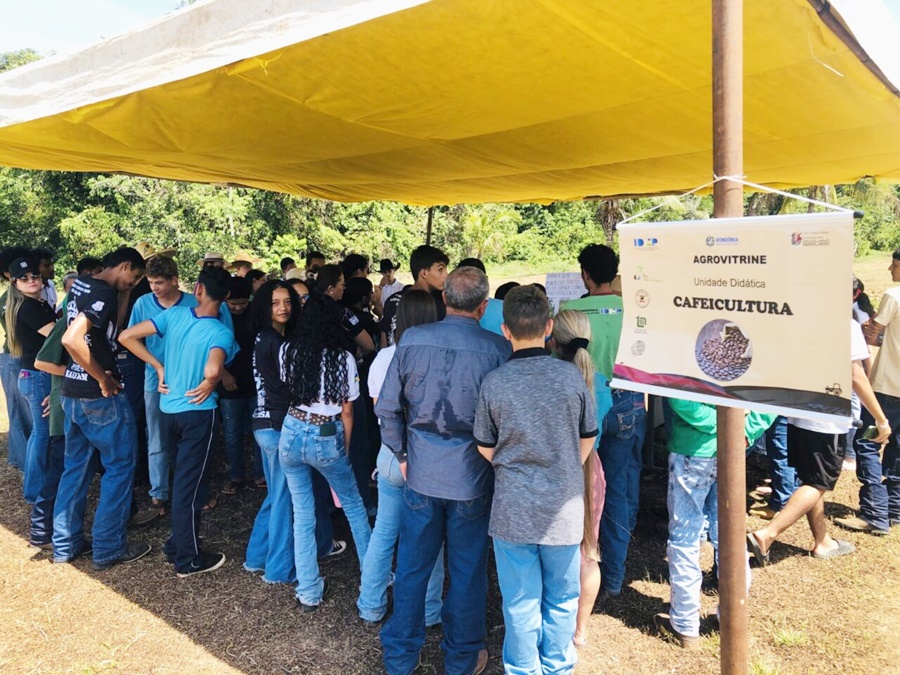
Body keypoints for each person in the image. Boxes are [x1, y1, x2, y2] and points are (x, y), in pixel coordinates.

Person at [377, 266, 510, 675]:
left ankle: (400, 655)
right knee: (468, 570)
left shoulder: (413, 339)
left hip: (421, 472)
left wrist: (400, 453)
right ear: (484, 306)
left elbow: (386, 408)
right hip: (472, 476)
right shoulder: (498, 350)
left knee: (413, 566)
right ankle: (461, 657)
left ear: (445, 299)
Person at [474, 285, 598, 674]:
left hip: (512, 507)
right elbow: (588, 436)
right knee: (563, 597)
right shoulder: (570, 378)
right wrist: (562, 466)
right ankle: (558, 665)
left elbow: (484, 445)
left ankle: (523, 669)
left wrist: (513, 465)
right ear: (548, 328)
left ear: (505, 330)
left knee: (520, 600)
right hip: (564, 505)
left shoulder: (495, 382)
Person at [119, 266, 238, 577]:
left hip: (169, 409)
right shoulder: (221, 331)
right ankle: (188, 558)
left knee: (186, 482)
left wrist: (158, 367)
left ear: (197, 289)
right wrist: (210, 382)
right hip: (199, 414)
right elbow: (213, 370)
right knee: (189, 486)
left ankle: (178, 541)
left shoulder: (174, 316)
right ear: (225, 298)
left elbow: (127, 336)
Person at [748, 319, 891, 564]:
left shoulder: (799, 319)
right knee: (817, 484)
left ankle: (822, 542)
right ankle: (766, 534)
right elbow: (856, 375)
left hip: (797, 413)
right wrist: (880, 418)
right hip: (827, 417)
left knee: (811, 481)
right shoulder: (846, 325)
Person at [54, 246, 150, 570]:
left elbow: (112, 329)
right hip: (98, 396)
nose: (133, 284)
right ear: (124, 265)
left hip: (71, 391)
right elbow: (71, 339)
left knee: (76, 469)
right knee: (120, 467)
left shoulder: (82, 284)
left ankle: (65, 544)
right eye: (133, 277)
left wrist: (125, 291)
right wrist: (103, 379)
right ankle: (109, 547)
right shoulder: (103, 293)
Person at [654, 399, 774, 649]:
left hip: (693, 448)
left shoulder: (685, 357)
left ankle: (685, 625)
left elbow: (679, 398)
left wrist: (720, 424)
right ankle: (732, 616)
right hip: (733, 447)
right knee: (729, 534)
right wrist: (742, 430)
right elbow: (774, 397)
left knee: (684, 537)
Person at [278, 292, 372, 610]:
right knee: (355, 507)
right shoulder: (342, 358)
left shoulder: (288, 349)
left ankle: (309, 590)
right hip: (326, 430)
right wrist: (342, 449)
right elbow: (347, 411)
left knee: (302, 514)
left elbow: (288, 388)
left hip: (291, 429)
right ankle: (375, 577)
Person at [357, 289, 445, 628]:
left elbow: (384, 409)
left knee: (384, 533)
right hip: (425, 456)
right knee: (432, 538)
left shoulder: (383, 358)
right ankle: (430, 610)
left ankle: (370, 604)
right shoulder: (436, 357)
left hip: (389, 454)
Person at [562, 243, 645, 597]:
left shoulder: (571, 309)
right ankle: (613, 577)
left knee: (583, 486)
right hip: (628, 402)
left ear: (585, 274)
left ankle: (579, 567)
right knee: (619, 487)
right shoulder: (635, 309)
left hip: (585, 403)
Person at [128, 255, 232, 517]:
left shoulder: (190, 305)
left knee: (191, 444)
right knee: (158, 438)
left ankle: (194, 493)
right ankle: (159, 493)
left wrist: (216, 378)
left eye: (159, 282)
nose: (154, 288)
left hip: (194, 384)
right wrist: (157, 365)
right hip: (158, 383)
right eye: (150, 282)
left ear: (175, 281)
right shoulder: (143, 304)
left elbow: (219, 343)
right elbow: (130, 338)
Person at [549, 309, 612, 648]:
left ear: (553, 339)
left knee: (555, 552)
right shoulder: (599, 381)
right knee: (589, 551)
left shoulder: (549, 379)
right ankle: (580, 628)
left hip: (557, 471)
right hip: (592, 471)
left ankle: (554, 621)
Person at [839, 252, 900, 534]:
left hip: (888, 387)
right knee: (898, 447)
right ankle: (894, 509)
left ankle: (874, 512)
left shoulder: (894, 295)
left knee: (866, 443)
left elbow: (872, 334)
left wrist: (875, 333)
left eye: (895, 265)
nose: (890, 268)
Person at [6, 257, 57, 504]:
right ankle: (36, 491)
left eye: (34, 276)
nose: (31, 280)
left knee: (42, 433)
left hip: (34, 376)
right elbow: (59, 338)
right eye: (24, 278)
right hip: (38, 377)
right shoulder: (30, 308)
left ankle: (39, 487)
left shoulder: (39, 305)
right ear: (15, 283)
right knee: (42, 434)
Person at [219, 276, 265, 494]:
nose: (237, 308)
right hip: (228, 381)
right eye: (233, 304)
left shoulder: (258, 312)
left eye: (242, 303)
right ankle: (235, 474)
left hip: (255, 381)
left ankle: (260, 473)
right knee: (232, 432)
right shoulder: (218, 314)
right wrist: (223, 375)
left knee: (260, 431)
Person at [0, 245, 35, 472]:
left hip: (16, 357)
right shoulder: (11, 301)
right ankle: (25, 464)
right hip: (15, 358)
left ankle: (23, 461)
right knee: (21, 415)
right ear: (8, 276)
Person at [379, 245, 449, 347]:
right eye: (440, 269)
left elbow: (384, 342)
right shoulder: (436, 306)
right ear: (424, 273)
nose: (446, 274)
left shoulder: (392, 300)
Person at [315, 264, 376, 357]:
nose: (344, 288)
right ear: (331, 289)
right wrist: (356, 356)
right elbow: (369, 346)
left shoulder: (308, 309)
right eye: (343, 284)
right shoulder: (343, 313)